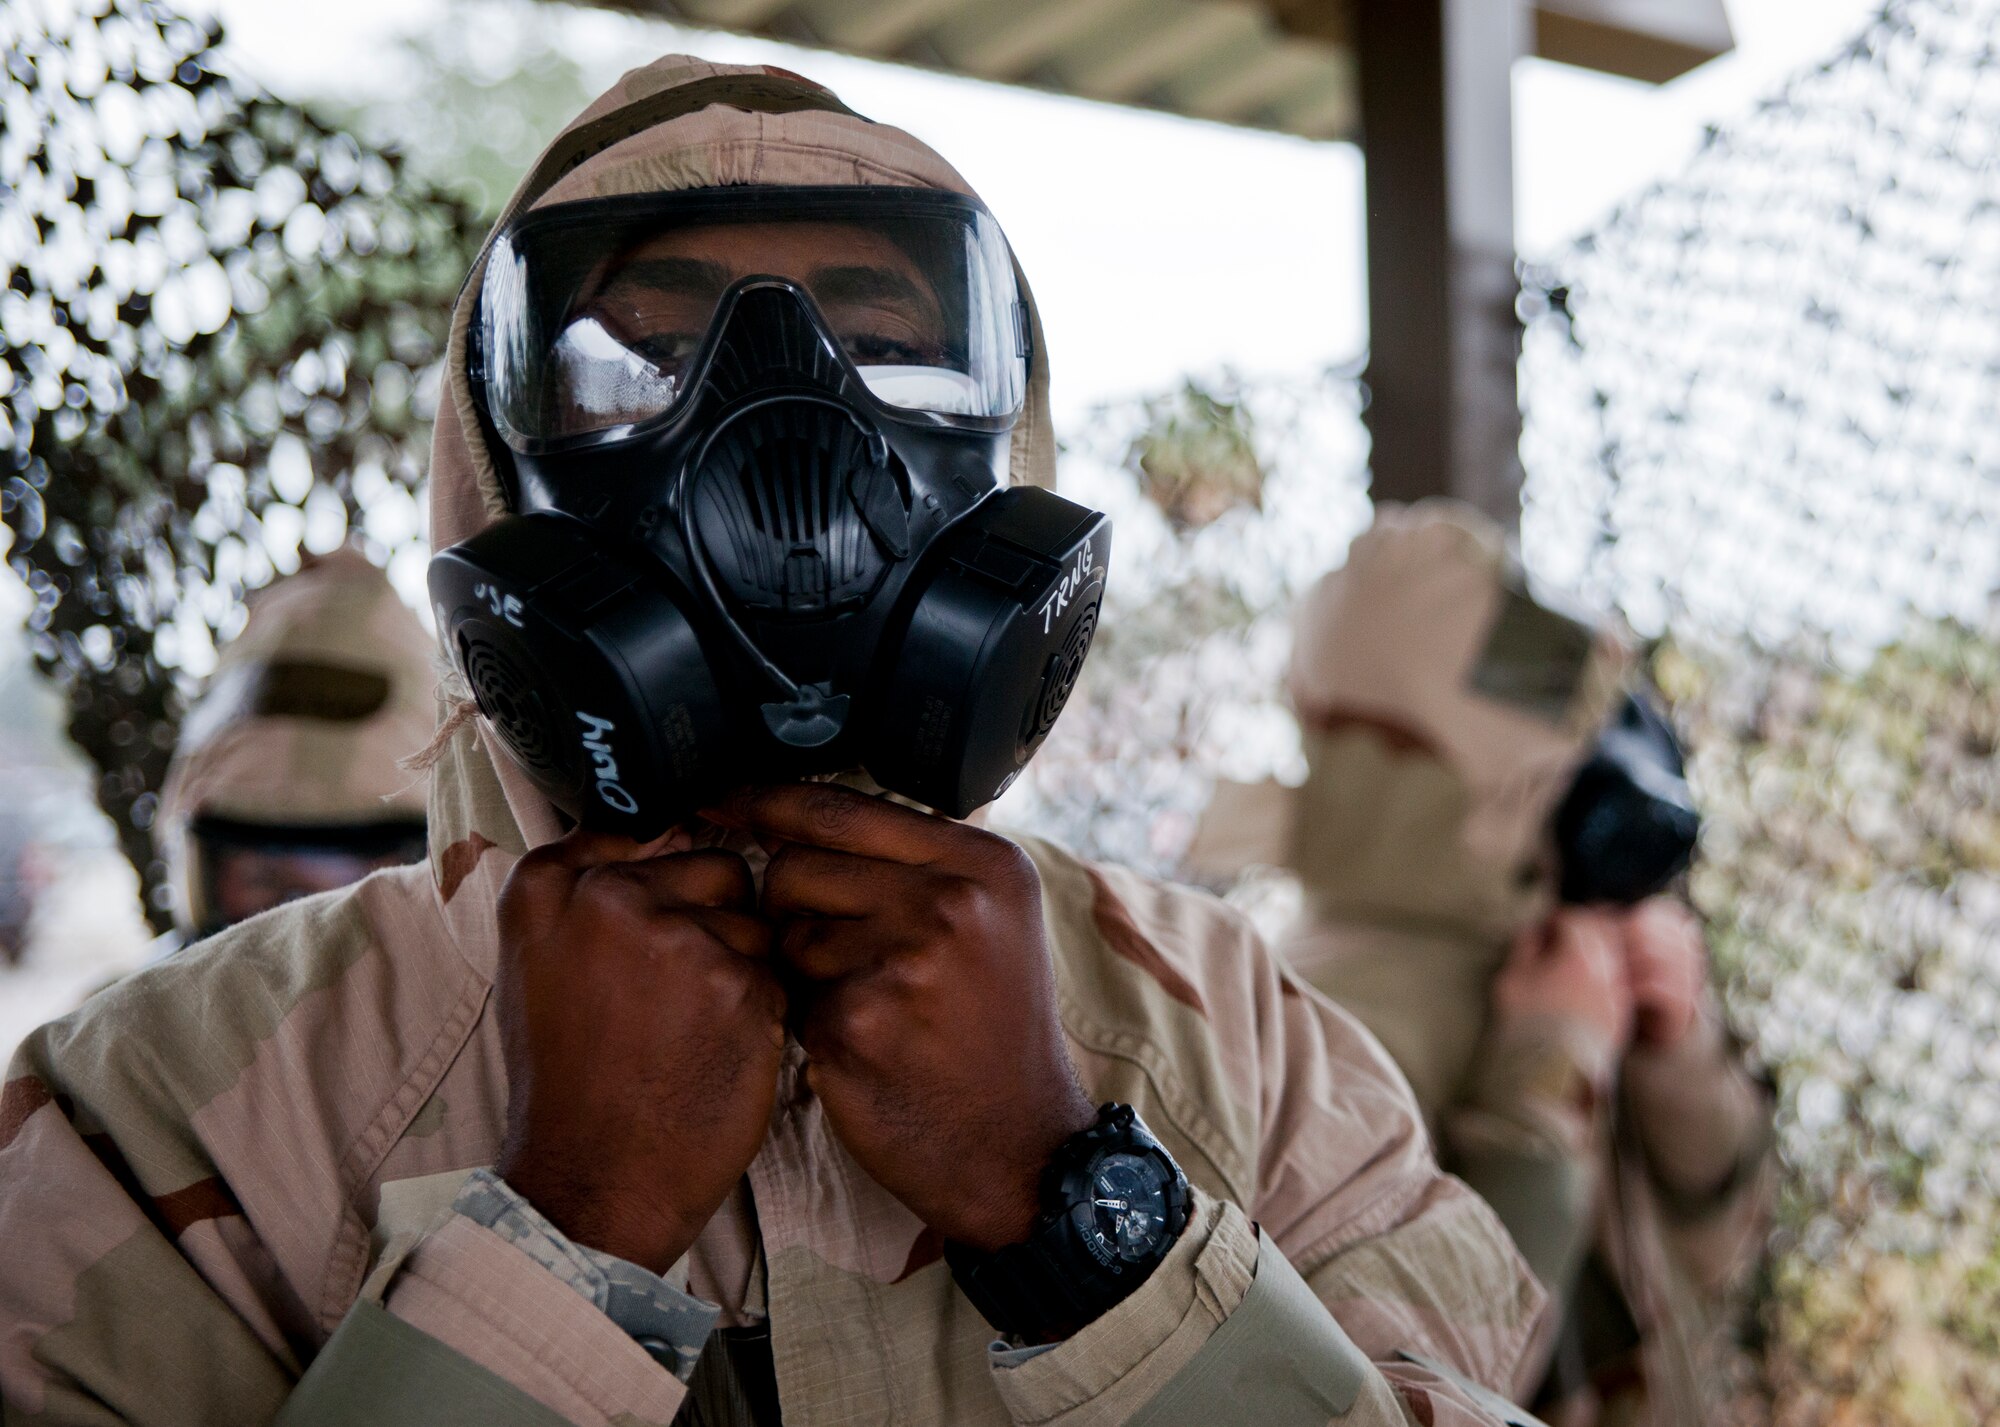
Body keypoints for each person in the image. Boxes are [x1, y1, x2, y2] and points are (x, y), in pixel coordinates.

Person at [0, 58, 1550, 1427]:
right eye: (637, 361)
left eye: (888, 348)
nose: (789, 436)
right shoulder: (157, 1105)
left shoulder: (1245, 1045)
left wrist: (1079, 1211)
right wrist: (571, 1222)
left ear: (1011, 448)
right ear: (487, 469)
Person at [1189, 502, 1773, 1426]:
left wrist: (1678, 1052)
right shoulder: (1299, 1021)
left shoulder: (1554, 943)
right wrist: (1549, 1070)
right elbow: (1385, 1393)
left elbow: (1716, 1254)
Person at [149, 548, 436, 946]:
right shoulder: (141, 1007)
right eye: (264, 879)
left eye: (363, 885)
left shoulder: (509, 999)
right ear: (201, 880)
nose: (304, 929)